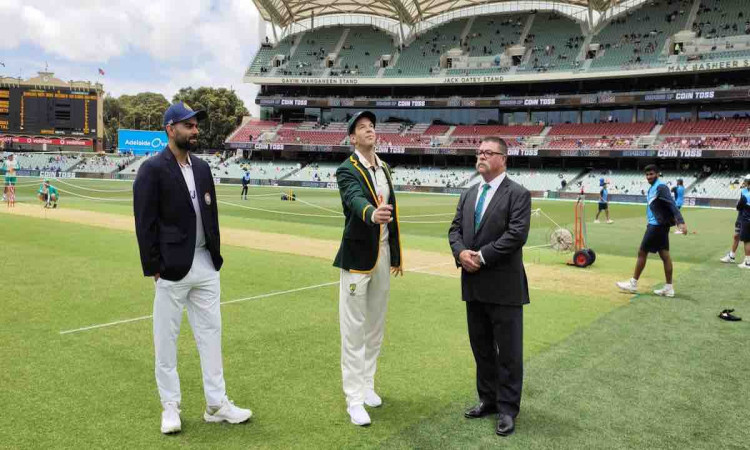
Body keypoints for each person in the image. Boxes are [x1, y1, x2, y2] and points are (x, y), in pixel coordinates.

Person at [133, 102, 251, 435]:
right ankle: (170, 406)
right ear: (170, 129)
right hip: (171, 268)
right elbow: (144, 222)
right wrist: (153, 266)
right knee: (166, 339)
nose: (195, 130)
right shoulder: (152, 169)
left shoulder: (202, 167)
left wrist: (215, 254)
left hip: (205, 263)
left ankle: (217, 404)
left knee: (211, 335)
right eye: (188, 125)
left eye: (196, 125)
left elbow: (209, 214)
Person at [448, 137, 532, 437]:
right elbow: (455, 229)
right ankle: (488, 399)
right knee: (481, 348)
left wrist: (480, 257)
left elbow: (516, 235)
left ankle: (508, 409)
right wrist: (460, 253)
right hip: (473, 285)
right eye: (478, 152)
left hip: (504, 287)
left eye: (488, 152)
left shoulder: (518, 194)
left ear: (503, 159)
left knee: (508, 353)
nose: (481, 156)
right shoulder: (469, 193)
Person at [333, 110, 403, 427]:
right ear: (352, 137)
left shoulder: (384, 167)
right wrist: (371, 214)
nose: (369, 130)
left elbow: (394, 213)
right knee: (354, 331)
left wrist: (397, 256)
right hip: (358, 259)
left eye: (371, 126)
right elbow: (353, 198)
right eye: (362, 128)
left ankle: (368, 384)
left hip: (383, 254)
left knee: (375, 327)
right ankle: (354, 399)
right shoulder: (346, 169)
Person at [617, 165, 688, 298]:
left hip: (656, 226)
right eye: (647, 174)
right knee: (665, 255)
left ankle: (633, 283)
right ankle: (669, 288)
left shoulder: (661, 187)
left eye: (651, 174)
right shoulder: (652, 188)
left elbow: (671, 204)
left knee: (642, 252)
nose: (649, 176)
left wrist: (681, 221)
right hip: (657, 225)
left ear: (657, 174)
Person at [720, 175, 750, 263]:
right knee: (736, 236)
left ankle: (747, 260)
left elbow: (741, 205)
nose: (744, 182)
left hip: (745, 216)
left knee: (746, 239)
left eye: (745, 180)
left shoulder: (745, 192)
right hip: (741, 216)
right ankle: (731, 256)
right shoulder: (744, 190)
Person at [735, 174, 750, 269]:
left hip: (747, 220)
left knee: (747, 241)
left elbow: (738, 207)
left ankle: (748, 262)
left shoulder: (746, 195)